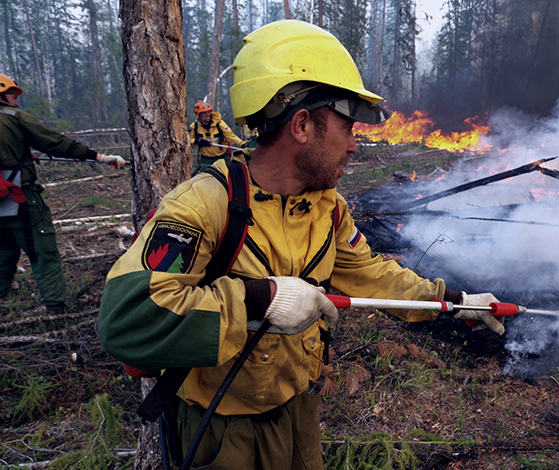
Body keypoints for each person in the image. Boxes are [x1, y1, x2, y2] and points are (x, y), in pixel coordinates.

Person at [97, 20, 505, 470]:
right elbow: (127, 318)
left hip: (299, 414)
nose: (355, 145)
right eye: (348, 126)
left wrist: (455, 301)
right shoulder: (202, 206)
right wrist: (262, 299)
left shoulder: (328, 209)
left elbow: (372, 275)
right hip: (220, 432)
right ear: (303, 124)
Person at [0, 73, 127, 315]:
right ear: (2, 95)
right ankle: (56, 309)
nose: (16, 99)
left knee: (3, 253)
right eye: (12, 94)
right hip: (20, 199)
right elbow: (55, 142)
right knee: (42, 251)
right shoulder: (14, 118)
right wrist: (100, 157)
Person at [189, 100, 248, 170]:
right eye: (204, 113)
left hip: (221, 158)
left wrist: (242, 144)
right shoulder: (195, 127)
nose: (208, 114)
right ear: (198, 114)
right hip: (206, 159)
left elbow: (230, 136)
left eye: (208, 112)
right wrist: (197, 141)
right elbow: (188, 142)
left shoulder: (219, 124)